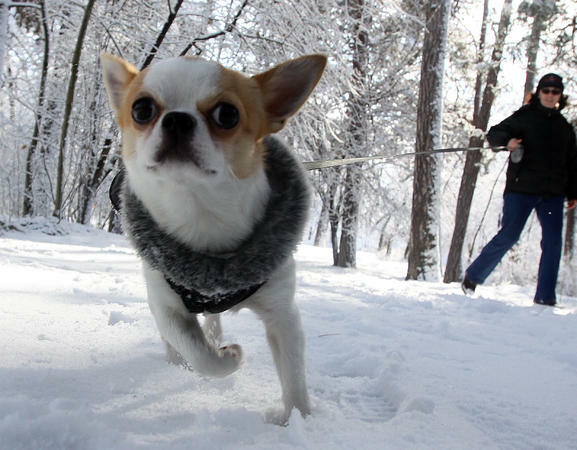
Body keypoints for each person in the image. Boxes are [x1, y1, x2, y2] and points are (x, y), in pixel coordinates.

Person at [462, 73, 577, 306]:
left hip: (552, 193)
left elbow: (573, 162)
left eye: (555, 92)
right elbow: (495, 133)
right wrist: (508, 142)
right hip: (521, 189)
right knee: (510, 234)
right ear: (538, 93)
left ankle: (545, 297)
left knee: (553, 243)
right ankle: (473, 276)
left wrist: (573, 192)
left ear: (560, 97)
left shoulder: (564, 128)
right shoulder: (524, 117)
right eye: (546, 91)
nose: (550, 95)